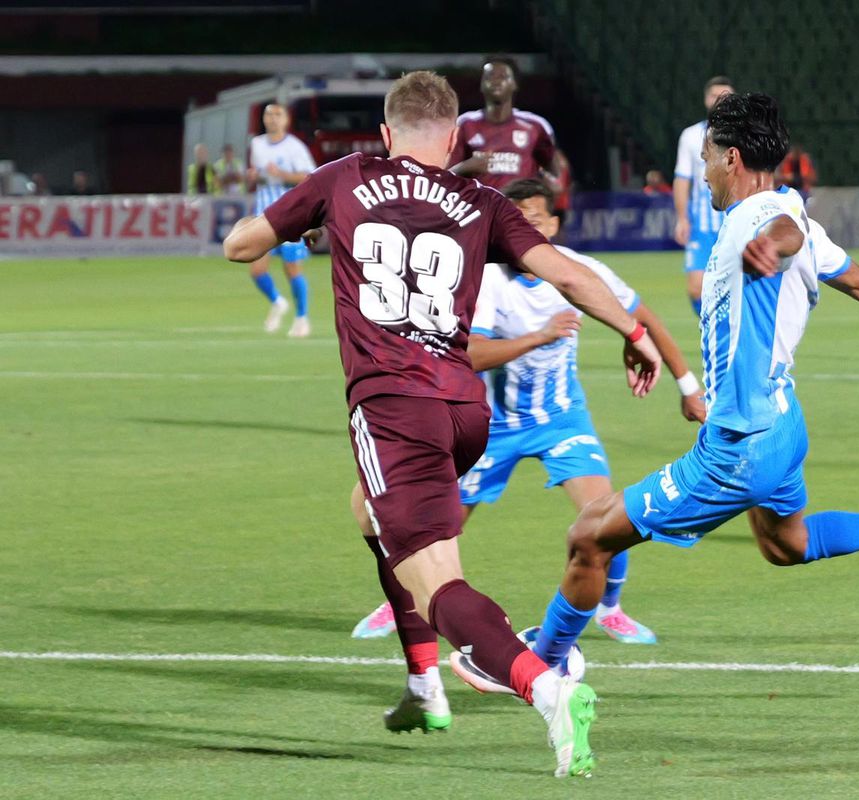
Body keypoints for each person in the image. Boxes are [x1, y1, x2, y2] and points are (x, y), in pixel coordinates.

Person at [444, 92, 859, 690]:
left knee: (588, 536)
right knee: (787, 544)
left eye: (705, 159)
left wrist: (773, 248)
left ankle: (543, 663)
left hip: (739, 445)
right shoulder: (792, 205)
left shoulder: (764, 220)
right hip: (783, 424)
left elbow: (783, 236)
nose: (702, 173)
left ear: (731, 158)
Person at [223, 70, 664, 777]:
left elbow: (241, 247)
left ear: (387, 134)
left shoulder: (343, 178)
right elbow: (570, 275)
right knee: (368, 510)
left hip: (394, 409)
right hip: (465, 410)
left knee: (438, 587)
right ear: (455, 136)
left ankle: (548, 691)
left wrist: (303, 222)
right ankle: (424, 686)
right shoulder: (481, 199)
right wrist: (634, 332)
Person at [352, 177, 705, 654]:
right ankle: (401, 601)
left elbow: (645, 320)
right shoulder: (485, 278)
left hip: (561, 419)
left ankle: (610, 608)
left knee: (607, 515)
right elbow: (468, 353)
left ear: (554, 224)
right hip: (491, 425)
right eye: (516, 221)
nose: (525, 229)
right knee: (431, 522)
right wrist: (539, 336)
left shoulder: (579, 270)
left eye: (535, 219)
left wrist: (688, 387)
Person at [246, 104, 317, 338]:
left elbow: (309, 177)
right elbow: (258, 177)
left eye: (278, 115)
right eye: (268, 114)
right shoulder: (257, 144)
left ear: (286, 120)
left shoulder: (295, 147)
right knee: (256, 269)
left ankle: (301, 318)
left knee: (292, 269)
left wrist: (283, 175)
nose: (272, 119)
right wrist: (254, 176)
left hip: (289, 216)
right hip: (262, 215)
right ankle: (278, 301)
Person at [449, 56, 558, 192]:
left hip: (520, 211)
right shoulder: (465, 124)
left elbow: (555, 176)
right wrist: (467, 166)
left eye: (503, 76)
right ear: (482, 84)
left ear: (515, 84)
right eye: (490, 76)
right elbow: (446, 176)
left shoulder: (536, 125)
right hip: (480, 209)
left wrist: (546, 185)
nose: (496, 81)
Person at [674, 76, 735, 316]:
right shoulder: (690, 136)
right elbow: (682, 179)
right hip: (701, 224)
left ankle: (731, 331)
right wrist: (681, 218)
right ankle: (712, 327)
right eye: (714, 95)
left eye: (726, 96)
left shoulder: (742, 135)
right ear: (706, 99)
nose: (720, 101)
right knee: (696, 288)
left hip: (734, 220)